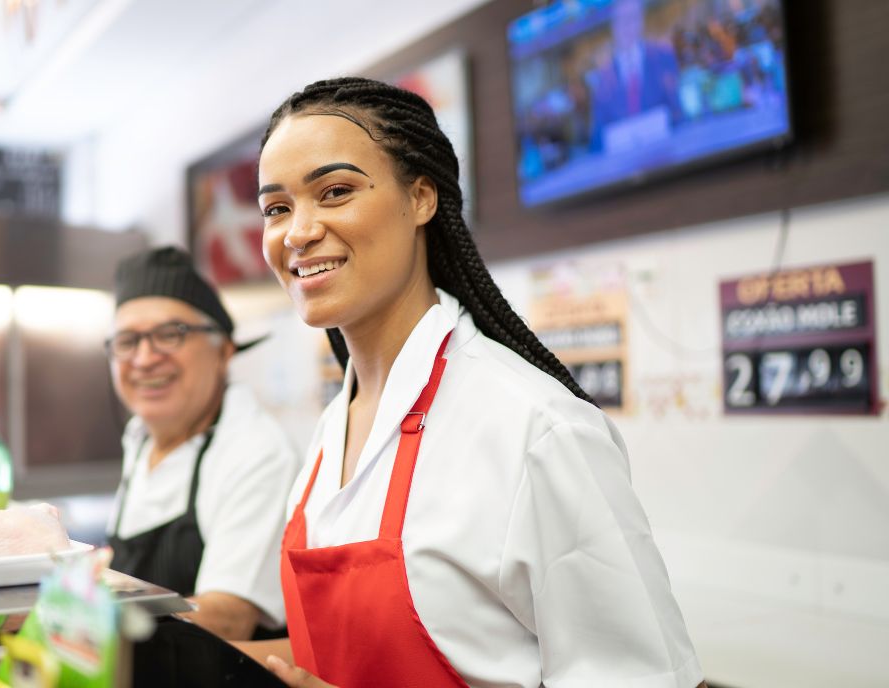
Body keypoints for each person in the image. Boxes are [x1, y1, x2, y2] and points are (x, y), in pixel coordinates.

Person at [243, 77, 706, 687]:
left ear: (422, 199)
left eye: (334, 192)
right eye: (277, 207)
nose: (297, 232)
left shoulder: (535, 428)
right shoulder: (335, 427)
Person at [105, 246, 300, 641]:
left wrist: (94, 625)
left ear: (224, 351)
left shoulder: (255, 452)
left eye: (169, 335)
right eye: (127, 341)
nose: (144, 359)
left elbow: (229, 618)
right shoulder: (140, 438)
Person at [588, 0, 682, 153]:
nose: (626, 26)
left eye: (632, 18)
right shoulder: (603, 80)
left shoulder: (663, 59)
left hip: (667, 157)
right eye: (621, 20)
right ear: (613, 26)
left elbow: (679, 113)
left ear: (641, 21)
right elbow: (598, 140)